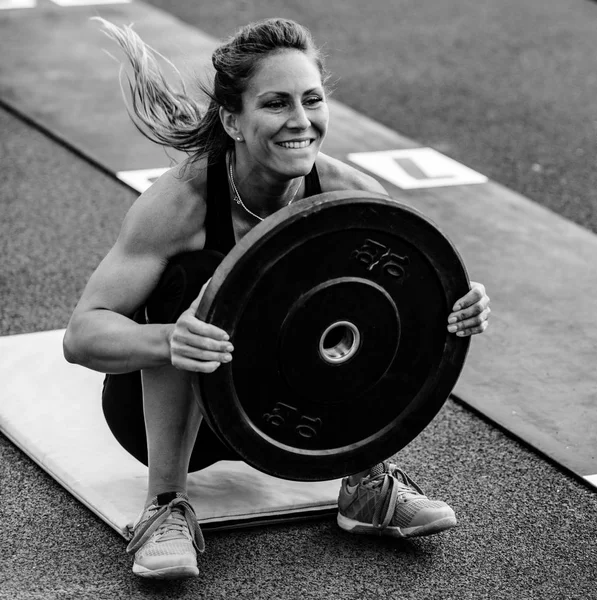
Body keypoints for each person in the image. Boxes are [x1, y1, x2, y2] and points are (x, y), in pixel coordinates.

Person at [63, 17, 491, 580]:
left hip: (291, 421)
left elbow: (409, 305)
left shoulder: (350, 195)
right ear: (233, 122)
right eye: (276, 103)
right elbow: (82, 335)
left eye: (312, 100)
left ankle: (366, 483)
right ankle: (165, 507)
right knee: (196, 283)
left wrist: (454, 307)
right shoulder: (182, 204)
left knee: (366, 284)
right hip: (175, 426)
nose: (301, 121)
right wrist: (172, 339)